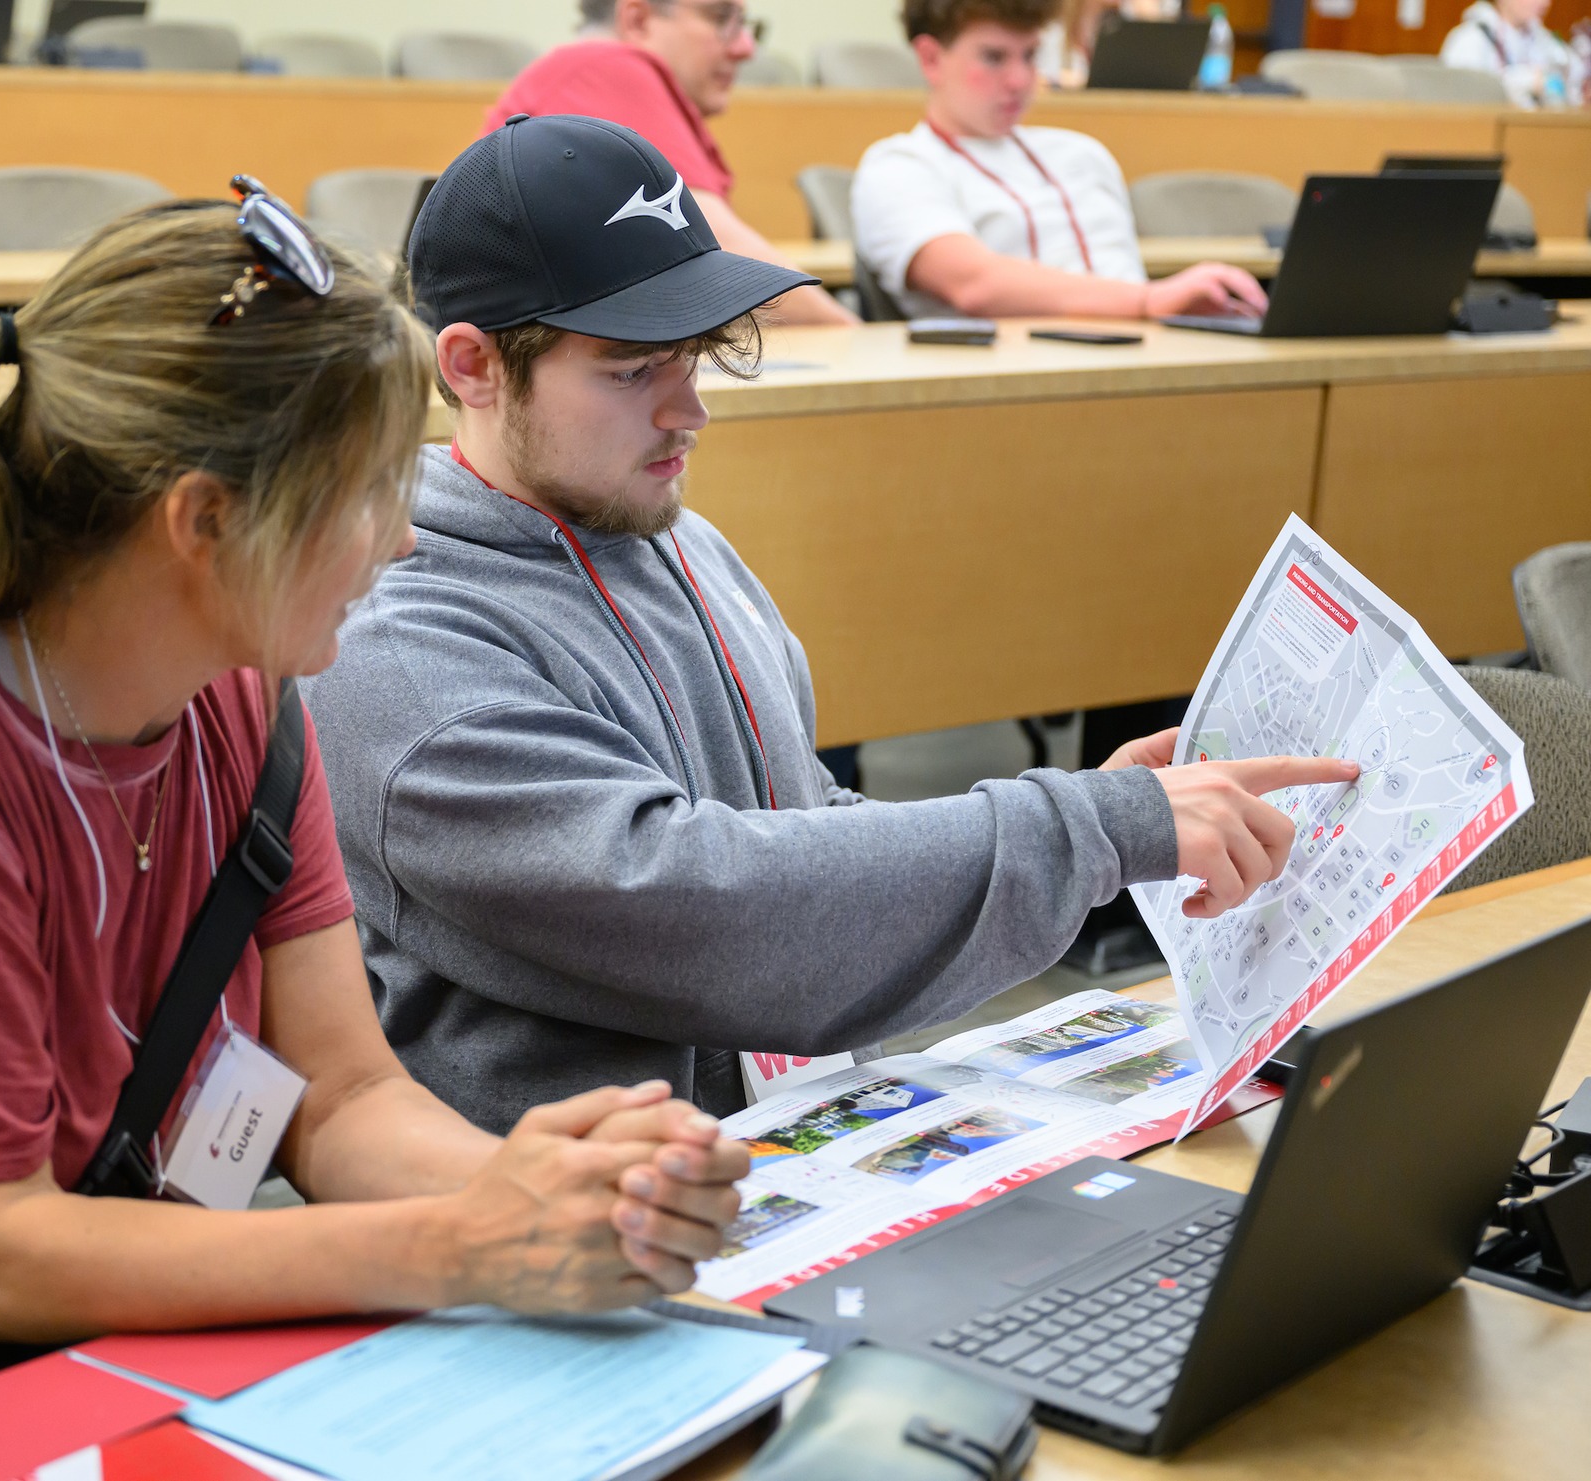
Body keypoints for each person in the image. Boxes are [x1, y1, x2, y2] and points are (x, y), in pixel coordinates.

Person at [0, 191, 750, 1477]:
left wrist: (535, 1193)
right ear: (202, 522)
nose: (402, 536)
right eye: (362, 494)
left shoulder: (244, 693)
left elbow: (341, 1093)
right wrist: (463, 1243)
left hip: (74, 1354)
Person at [301, 113, 1357, 1135]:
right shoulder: (396, 648)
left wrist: (1102, 820)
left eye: (696, 354)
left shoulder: (674, 535)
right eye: (632, 370)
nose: (689, 410)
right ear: (471, 366)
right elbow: (708, 912)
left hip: (794, 1150)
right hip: (576, 1229)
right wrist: (1085, 829)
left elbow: (800, 818)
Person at [852, 0, 1268, 320]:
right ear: (930, 59)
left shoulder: (1082, 154)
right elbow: (974, 285)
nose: (1020, 80)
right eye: (994, 57)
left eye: (1030, 56)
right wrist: (1151, 300)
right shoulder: (898, 166)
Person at [486, 0, 858, 326]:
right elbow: (714, 249)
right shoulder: (607, 64)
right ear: (638, 20)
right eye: (721, 16)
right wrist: (849, 331)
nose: (746, 47)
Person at [1440, 0, 1584, 108]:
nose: (1545, 2)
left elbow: (1576, 79)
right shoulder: (1468, 40)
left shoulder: (1545, 40)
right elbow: (1461, 98)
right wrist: (1524, 81)